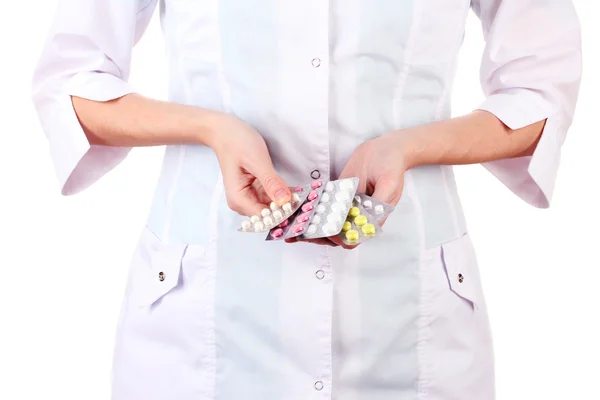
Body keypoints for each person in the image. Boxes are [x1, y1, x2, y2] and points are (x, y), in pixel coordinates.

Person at [31, 0, 582, 398]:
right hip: (203, 322)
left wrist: (408, 147)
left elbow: (539, 93)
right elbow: (72, 83)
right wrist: (210, 128)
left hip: (407, 316)